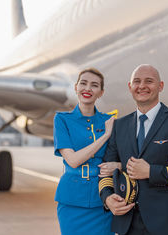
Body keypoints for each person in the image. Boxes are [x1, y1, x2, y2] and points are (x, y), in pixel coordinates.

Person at [99, 64, 168, 235]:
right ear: (130, 87)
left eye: (149, 81)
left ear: (160, 86)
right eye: (137, 81)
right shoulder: (119, 126)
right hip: (127, 224)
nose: (142, 86)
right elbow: (105, 172)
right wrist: (107, 198)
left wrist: (150, 171)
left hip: (167, 224)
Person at [53, 68, 120, 235]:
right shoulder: (62, 120)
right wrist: (105, 136)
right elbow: (73, 160)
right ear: (76, 87)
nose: (87, 89)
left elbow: (125, 157)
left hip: (103, 200)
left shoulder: (110, 121)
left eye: (94, 85)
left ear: (101, 92)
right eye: (83, 83)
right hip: (72, 201)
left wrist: (117, 165)